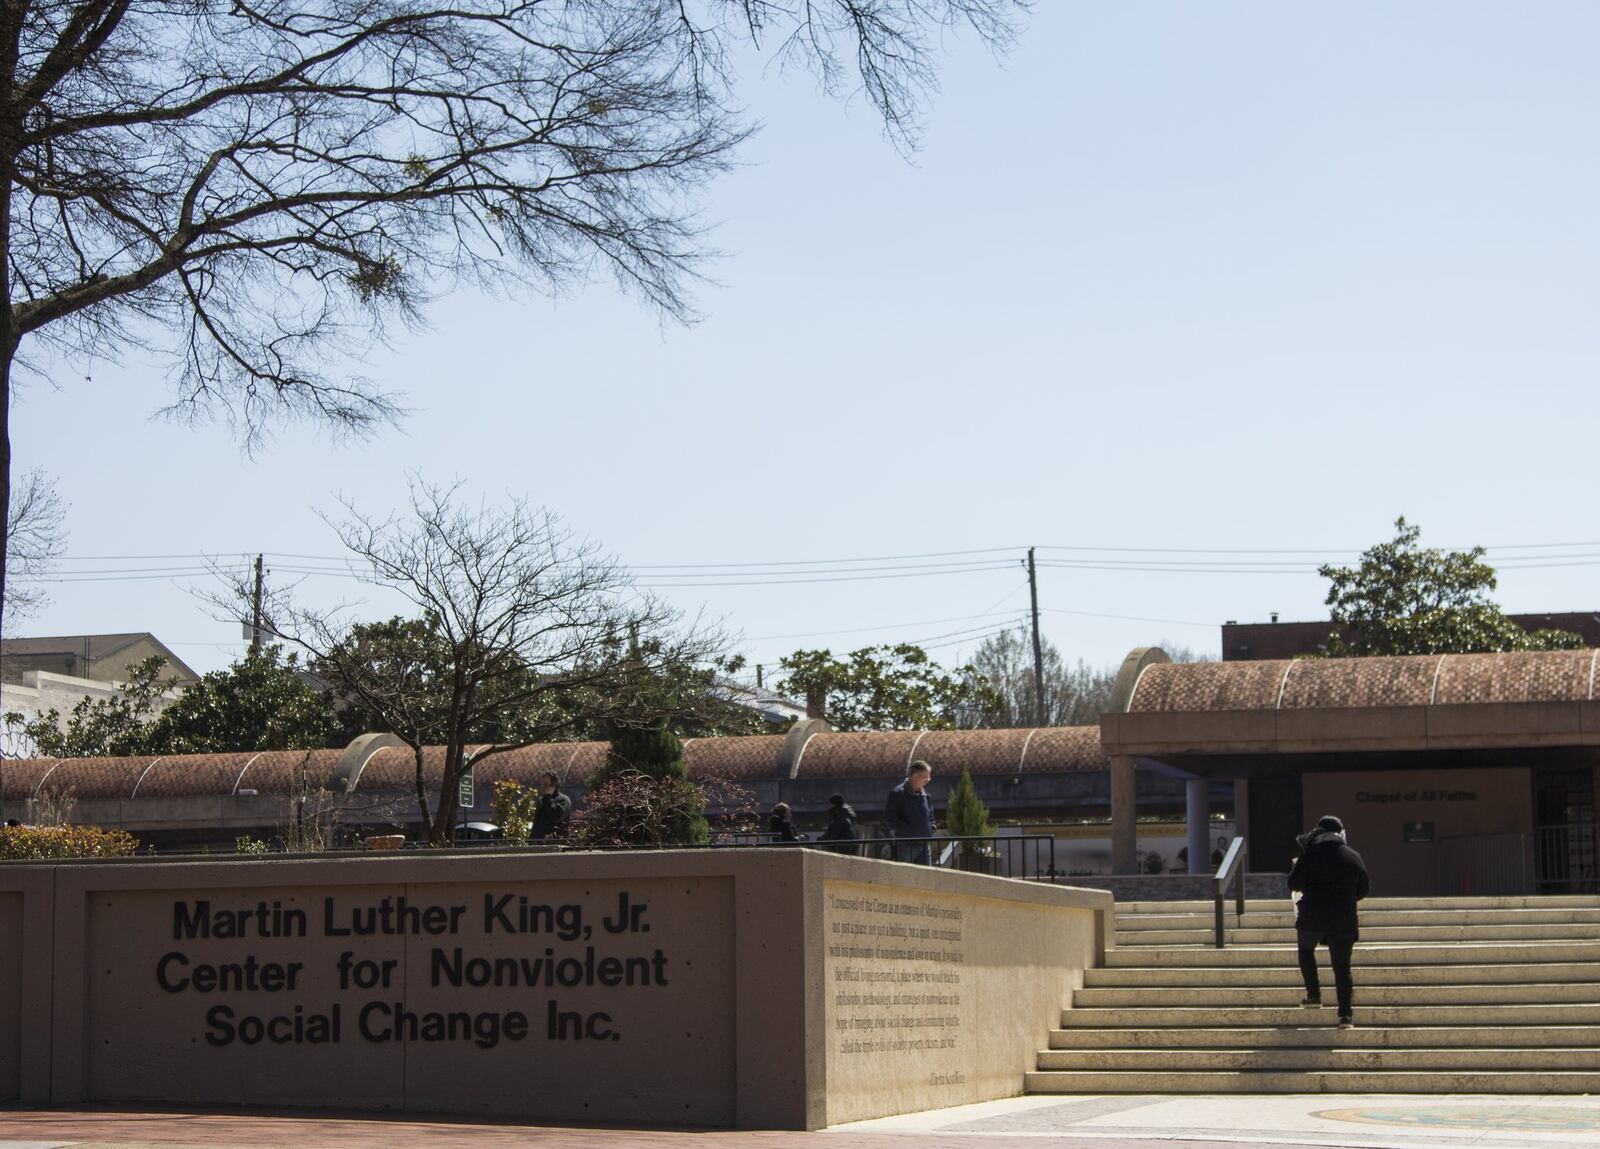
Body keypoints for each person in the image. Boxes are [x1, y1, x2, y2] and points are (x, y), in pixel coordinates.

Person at [1288, 814, 1371, 1029]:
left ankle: (1313, 995)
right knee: (1342, 968)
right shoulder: (1353, 856)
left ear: (1319, 832)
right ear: (1341, 833)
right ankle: (1345, 1016)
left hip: (1312, 916)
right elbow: (1364, 889)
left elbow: (1293, 883)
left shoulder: (1310, 854)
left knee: (1306, 950)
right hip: (1344, 918)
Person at [884, 760, 935, 864]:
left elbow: (931, 817)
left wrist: (931, 830)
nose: (928, 780)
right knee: (903, 877)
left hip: (924, 844)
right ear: (915, 776)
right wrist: (909, 832)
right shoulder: (898, 793)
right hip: (906, 844)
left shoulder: (926, 795)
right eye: (925, 778)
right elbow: (890, 818)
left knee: (926, 877)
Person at [530, 771, 572, 840]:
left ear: (554, 784)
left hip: (555, 843)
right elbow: (537, 824)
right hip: (539, 844)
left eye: (546, 784)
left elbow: (556, 817)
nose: (543, 787)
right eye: (542, 784)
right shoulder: (542, 801)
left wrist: (548, 797)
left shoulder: (563, 800)